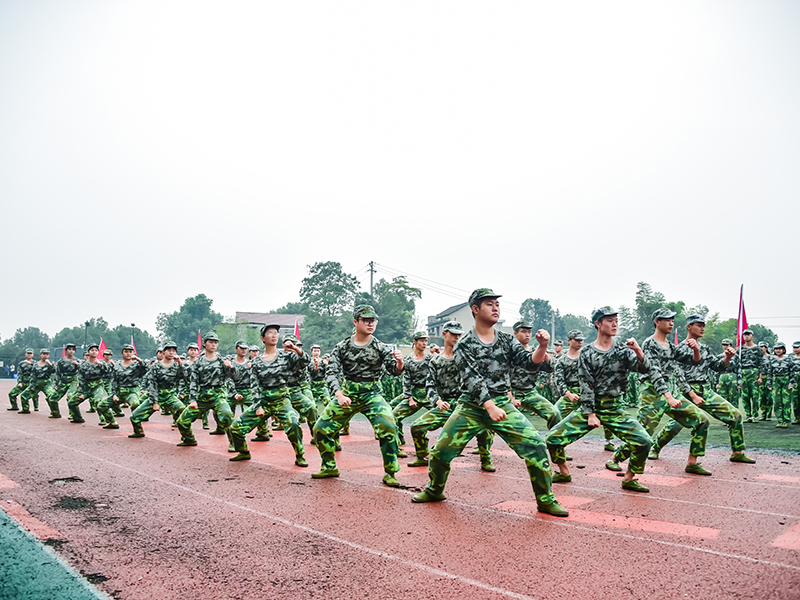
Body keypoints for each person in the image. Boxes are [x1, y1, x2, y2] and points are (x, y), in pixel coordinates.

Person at [412, 289, 568, 517]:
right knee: (440, 453)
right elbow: (472, 378)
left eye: (497, 304)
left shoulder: (506, 340)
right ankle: (435, 489)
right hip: (471, 407)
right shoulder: (465, 343)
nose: (495, 308)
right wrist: (489, 405)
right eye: (489, 304)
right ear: (475, 309)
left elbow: (528, 363)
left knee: (536, 445)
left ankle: (545, 500)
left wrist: (542, 346)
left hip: (502, 404)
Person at [546, 306, 652, 493]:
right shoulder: (587, 352)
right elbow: (585, 384)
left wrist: (638, 350)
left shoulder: (623, 350)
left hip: (615, 408)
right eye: (610, 321)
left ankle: (629, 478)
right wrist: (590, 413)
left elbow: (644, 369)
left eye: (616, 321)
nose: (615, 324)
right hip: (591, 407)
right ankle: (563, 472)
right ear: (598, 324)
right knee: (552, 439)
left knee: (644, 441)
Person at [606, 310, 711, 477]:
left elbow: (694, 361)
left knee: (701, 420)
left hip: (670, 392)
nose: (671, 323)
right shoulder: (650, 343)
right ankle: (615, 458)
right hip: (652, 393)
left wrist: (696, 350)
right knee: (643, 434)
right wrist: (668, 397)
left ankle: (692, 463)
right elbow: (653, 372)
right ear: (657, 322)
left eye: (672, 320)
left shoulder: (670, 346)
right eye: (667, 320)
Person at [312, 304, 405, 487]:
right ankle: (329, 467)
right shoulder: (342, 347)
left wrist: (400, 362)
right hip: (348, 393)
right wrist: (339, 395)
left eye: (373, 320)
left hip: (372, 394)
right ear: (355, 322)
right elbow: (331, 372)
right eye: (366, 320)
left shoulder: (380, 347)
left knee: (388, 427)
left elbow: (394, 371)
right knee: (320, 429)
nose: (371, 324)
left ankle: (391, 472)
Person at [649, 315, 756, 464]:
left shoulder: (704, 348)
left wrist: (727, 358)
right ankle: (655, 448)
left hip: (706, 390)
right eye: (699, 325)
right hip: (687, 392)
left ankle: (737, 452)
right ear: (689, 327)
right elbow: (679, 375)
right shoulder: (680, 349)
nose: (702, 328)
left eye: (703, 325)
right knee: (676, 424)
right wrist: (692, 395)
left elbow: (717, 366)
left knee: (735, 416)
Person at [407, 321, 495, 471]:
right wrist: (438, 401)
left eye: (459, 335)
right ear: (444, 334)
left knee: (484, 428)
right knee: (417, 427)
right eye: (453, 334)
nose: (457, 337)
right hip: (446, 405)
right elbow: (430, 385)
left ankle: (486, 458)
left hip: (466, 404)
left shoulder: (468, 358)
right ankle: (422, 456)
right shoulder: (435, 361)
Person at [228, 324, 308, 465]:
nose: (274, 335)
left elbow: (305, 361)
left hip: (281, 399)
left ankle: (300, 455)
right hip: (264, 400)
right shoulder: (257, 361)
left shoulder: (286, 356)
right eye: (270, 333)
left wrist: (295, 348)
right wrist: (258, 406)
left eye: (276, 333)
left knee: (293, 423)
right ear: (262, 338)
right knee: (235, 428)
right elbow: (254, 385)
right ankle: (243, 452)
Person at [175, 332, 235, 447]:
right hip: (202, 396)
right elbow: (193, 382)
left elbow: (233, 378)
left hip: (218, 395)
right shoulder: (198, 362)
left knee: (227, 415)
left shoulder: (221, 361)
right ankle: (189, 440)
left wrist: (231, 368)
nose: (213, 345)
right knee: (182, 421)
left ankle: (234, 444)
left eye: (216, 342)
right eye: (211, 342)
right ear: (204, 344)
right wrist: (192, 400)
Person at [508, 320, 561, 429]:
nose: (527, 334)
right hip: (510, 392)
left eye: (529, 332)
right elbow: (501, 376)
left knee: (554, 414)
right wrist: (511, 397)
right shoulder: (508, 351)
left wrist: (545, 354)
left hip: (529, 392)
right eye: (523, 331)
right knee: (491, 420)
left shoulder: (535, 351)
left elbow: (549, 368)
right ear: (515, 333)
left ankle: (554, 439)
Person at [129, 341, 186, 438]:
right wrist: (155, 402)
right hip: (157, 395)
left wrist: (180, 364)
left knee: (184, 411)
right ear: (164, 351)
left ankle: (188, 438)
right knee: (134, 417)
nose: (171, 352)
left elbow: (185, 377)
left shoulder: (177, 366)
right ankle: (139, 432)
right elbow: (153, 384)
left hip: (170, 396)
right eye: (169, 350)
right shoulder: (156, 366)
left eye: (173, 350)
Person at [392, 331, 433, 458]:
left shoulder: (430, 359)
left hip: (430, 394)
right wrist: (409, 398)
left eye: (426, 341)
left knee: (448, 417)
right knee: (393, 416)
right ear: (415, 342)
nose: (424, 343)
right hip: (415, 394)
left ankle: (447, 447)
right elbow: (406, 381)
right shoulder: (408, 360)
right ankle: (398, 444)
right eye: (421, 341)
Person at [228, 340, 270, 442]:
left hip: (248, 391)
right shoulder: (231, 364)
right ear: (236, 349)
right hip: (234, 391)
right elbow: (229, 380)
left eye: (245, 348)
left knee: (259, 409)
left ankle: (263, 432)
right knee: (226, 413)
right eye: (241, 348)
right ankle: (232, 440)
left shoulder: (250, 363)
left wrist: (252, 369)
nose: (243, 350)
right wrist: (234, 394)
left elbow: (260, 377)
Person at [99, 344, 147, 429]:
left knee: (135, 404)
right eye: (126, 351)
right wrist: (114, 394)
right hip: (120, 392)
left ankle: (138, 429)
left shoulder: (137, 365)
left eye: (130, 352)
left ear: (133, 353)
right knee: (101, 406)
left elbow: (146, 370)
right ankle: (112, 423)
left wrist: (139, 360)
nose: (128, 353)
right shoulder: (117, 365)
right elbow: (114, 381)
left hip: (132, 392)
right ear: (122, 353)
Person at [282, 335, 319, 444]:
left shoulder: (297, 358)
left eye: (294, 343)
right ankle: (262, 432)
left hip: (295, 391)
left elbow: (306, 360)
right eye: (288, 343)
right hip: (279, 392)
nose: (291, 345)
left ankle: (316, 436)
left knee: (312, 408)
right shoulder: (277, 356)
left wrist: (295, 348)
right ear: (283, 343)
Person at [69, 343, 110, 424]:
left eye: (96, 350)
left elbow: (109, 372)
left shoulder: (101, 363)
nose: (94, 352)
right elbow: (81, 378)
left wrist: (101, 364)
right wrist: (81, 392)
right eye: (92, 350)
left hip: (98, 386)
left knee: (98, 401)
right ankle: (77, 418)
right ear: (88, 352)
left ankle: (103, 419)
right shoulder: (83, 364)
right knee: (71, 403)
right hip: (86, 388)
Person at [19, 349, 56, 415]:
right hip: (37, 383)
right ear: (40, 355)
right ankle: (25, 409)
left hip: (47, 383)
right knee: (24, 396)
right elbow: (33, 375)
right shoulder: (36, 364)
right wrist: (32, 385)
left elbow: (54, 371)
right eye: (44, 354)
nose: (45, 355)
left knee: (52, 397)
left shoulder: (50, 364)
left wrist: (49, 364)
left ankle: (55, 413)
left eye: (47, 354)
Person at [737, 329, 762, 422]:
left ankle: (755, 415)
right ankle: (748, 415)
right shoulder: (740, 349)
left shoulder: (758, 349)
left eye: (748, 334)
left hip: (754, 372)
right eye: (745, 335)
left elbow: (761, 364)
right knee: (745, 396)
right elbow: (737, 363)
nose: (746, 336)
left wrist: (760, 377)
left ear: (752, 336)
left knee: (755, 395)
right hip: (744, 372)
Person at [768, 342, 794, 428]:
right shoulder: (772, 360)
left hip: (785, 379)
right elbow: (769, 373)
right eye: (776, 349)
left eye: (779, 349)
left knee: (786, 401)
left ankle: (786, 420)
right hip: (776, 380)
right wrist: (769, 384)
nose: (778, 350)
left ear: (783, 350)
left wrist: (791, 383)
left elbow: (792, 372)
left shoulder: (788, 359)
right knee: (777, 401)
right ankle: (780, 420)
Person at [52, 343, 81, 417]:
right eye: (69, 349)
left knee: (70, 396)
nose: (71, 351)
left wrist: (77, 364)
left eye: (73, 350)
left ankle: (73, 415)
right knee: (52, 398)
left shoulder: (77, 360)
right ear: (66, 350)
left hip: (73, 380)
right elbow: (58, 373)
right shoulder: (61, 361)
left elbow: (83, 370)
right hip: (63, 380)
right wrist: (55, 384)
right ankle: (55, 413)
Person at [717, 339, 740, 410]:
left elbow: (738, 369)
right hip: (722, 376)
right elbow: (716, 370)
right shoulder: (719, 357)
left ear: (731, 345)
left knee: (733, 396)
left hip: (732, 376)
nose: (725, 346)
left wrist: (739, 382)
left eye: (727, 345)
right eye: (723, 345)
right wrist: (716, 382)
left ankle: (735, 413)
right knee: (723, 397)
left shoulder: (735, 356)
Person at [758, 341, 773, 421]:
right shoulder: (758, 358)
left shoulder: (770, 357)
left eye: (762, 347)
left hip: (768, 377)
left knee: (769, 397)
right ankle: (763, 413)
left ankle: (768, 414)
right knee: (762, 397)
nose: (761, 348)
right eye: (759, 347)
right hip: (760, 378)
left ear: (766, 348)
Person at [790, 342, 800, 424]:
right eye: (794, 347)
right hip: (795, 380)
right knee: (795, 400)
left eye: (797, 347)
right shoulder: (791, 359)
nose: (795, 349)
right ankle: (797, 417)